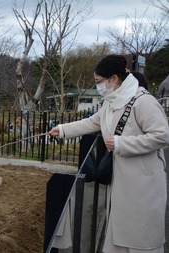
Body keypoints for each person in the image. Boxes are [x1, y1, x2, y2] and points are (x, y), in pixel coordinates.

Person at [49, 54, 169, 253]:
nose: (98, 86)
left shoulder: (143, 101)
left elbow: (162, 135)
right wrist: (62, 130)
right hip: (122, 183)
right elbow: (92, 122)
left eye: (99, 82)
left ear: (113, 79)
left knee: (141, 239)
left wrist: (123, 143)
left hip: (143, 185)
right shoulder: (111, 102)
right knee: (119, 237)